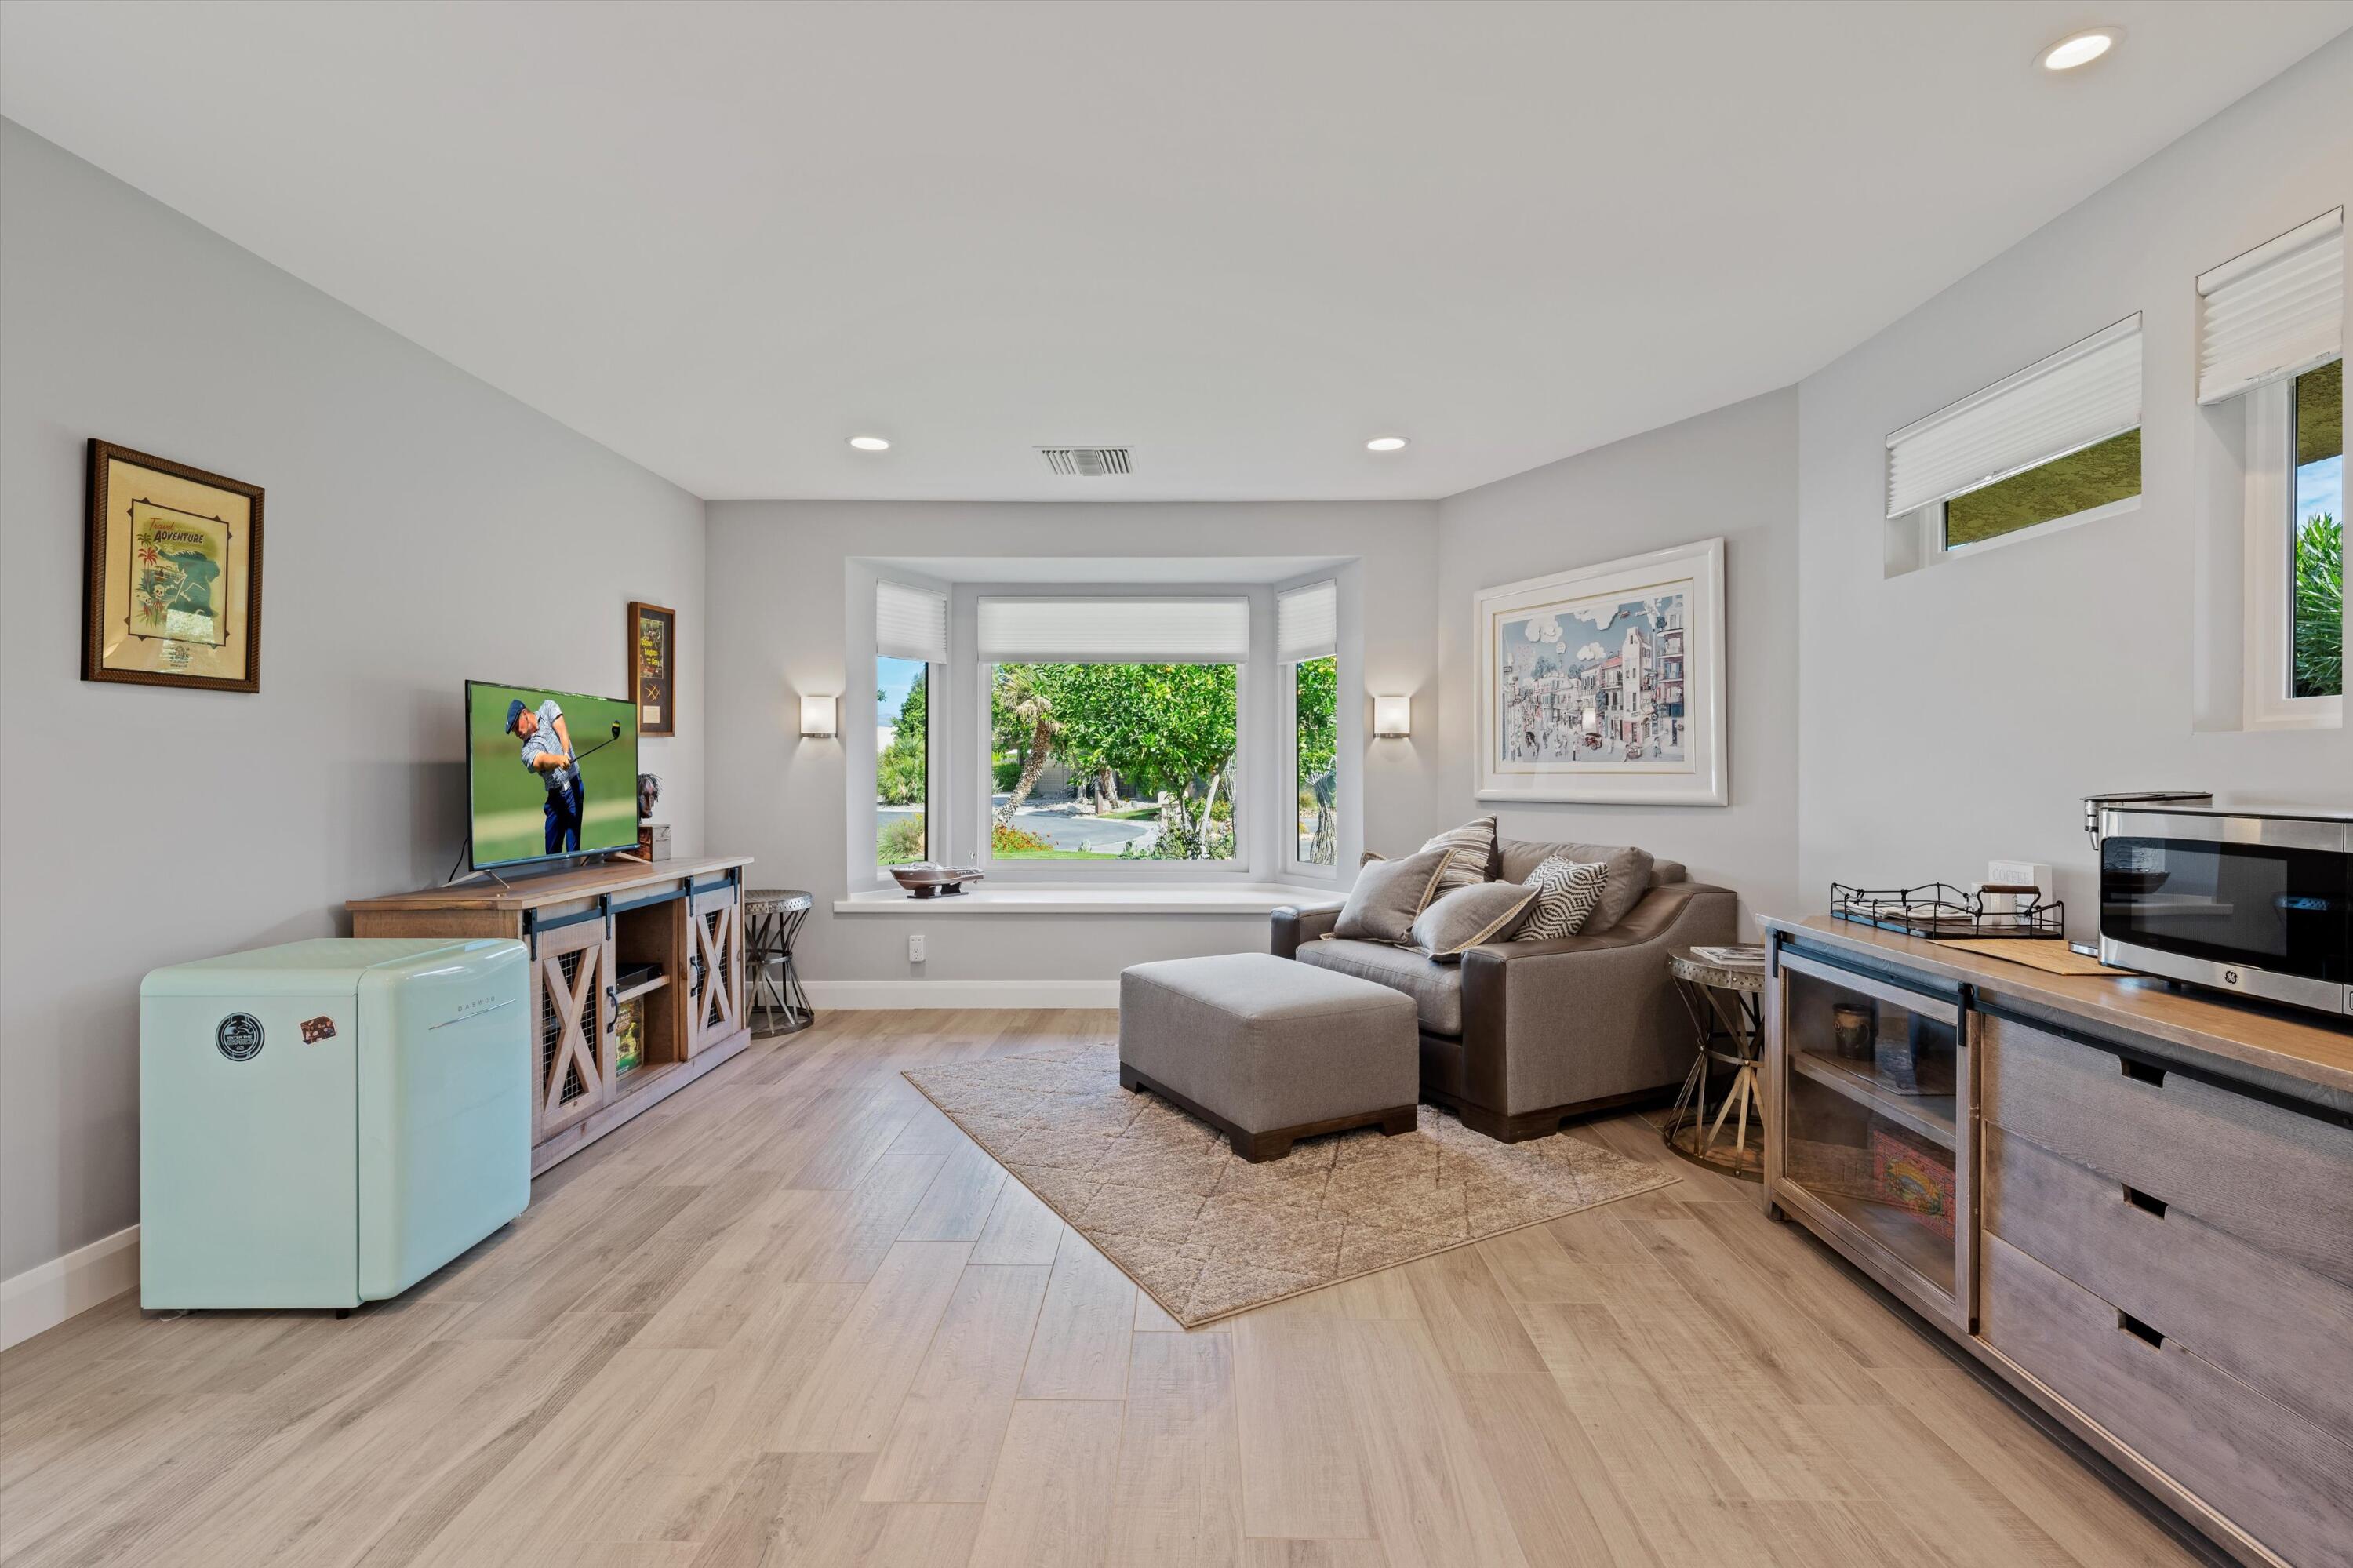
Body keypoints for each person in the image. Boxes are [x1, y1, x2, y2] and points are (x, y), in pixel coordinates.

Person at [507, 696, 583, 854]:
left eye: (516, 727)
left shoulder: (548, 707)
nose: (517, 734)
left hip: (574, 786)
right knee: (551, 854)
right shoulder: (526, 751)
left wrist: (566, 753)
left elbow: (562, 731)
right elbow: (541, 761)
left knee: (573, 851)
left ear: (524, 714)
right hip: (555, 798)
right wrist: (559, 760)